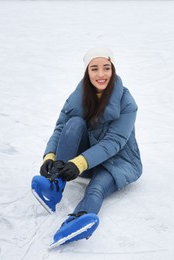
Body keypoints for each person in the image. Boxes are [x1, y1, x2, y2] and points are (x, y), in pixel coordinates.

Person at [36, 47, 143, 247]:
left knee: (96, 188)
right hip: (85, 161)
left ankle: (77, 220)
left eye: (106, 68)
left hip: (117, 161)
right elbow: (61, 128)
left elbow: (113, 143)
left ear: (113, 69)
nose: (101, 74)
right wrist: (49, 157)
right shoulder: (78, 96)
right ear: (87, 72)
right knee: (73, 123)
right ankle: (54, 186)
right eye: (94, 69)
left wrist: (79, 163)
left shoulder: (127, 103)